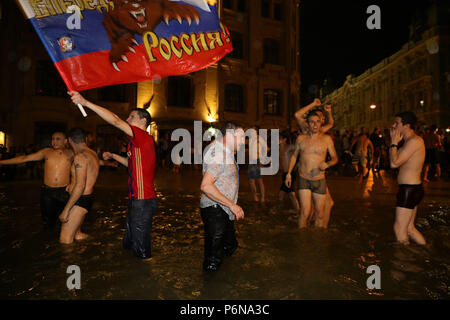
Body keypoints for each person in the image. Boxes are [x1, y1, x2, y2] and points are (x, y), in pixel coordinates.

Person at [69, 91, 157, 260]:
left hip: (142, 201)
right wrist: (114, 156)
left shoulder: (142, 136)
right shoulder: (136, 143)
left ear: (143, 121)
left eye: (131, 117)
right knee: (129, 244)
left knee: (142, 252)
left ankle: (145, 278)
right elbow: (131, 165)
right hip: (138, 200)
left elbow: (115, 120)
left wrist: (85, 102)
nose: (128, 120)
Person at [0, 132, 73, 227]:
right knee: (48, 222)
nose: (54, 141)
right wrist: (1, 162)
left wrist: (73, 183)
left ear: (66, 141)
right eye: (53, 139)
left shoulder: (71, 153)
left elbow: (83, 166)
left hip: (64, 191)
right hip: (48, 192)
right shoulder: (46, 152)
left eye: (58, 139)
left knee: (67, 221)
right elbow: (24, 158)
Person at [200, 122, 245, 272]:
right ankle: (211, 290)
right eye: (241, 137)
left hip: (223, 210)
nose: (244, 141)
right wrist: (232, 205)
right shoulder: (218, 154)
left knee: (230, 246)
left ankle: (227, 279)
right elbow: (206, 185)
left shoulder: (222, 150)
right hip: (215, 210)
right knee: (213, 261)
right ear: (230, 136)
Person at [285, 111, 338, 228]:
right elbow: (294, 155)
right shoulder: (301, 138)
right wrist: (288, 173)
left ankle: (318, 241)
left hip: (319, 180)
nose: (315, 124)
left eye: (317, 122)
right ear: (307, 124)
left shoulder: (326, 139)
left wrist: (328, 164)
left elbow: (335, 158)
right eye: (312, 122)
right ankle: (302, 240)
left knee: (319, 214)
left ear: (320, 123)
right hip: (304, 179)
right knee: (305, 212)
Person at [294, 98, 335, 225]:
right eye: (320, 118)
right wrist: (313, 104)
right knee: (326, 203)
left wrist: (329, 113)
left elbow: (331, 124)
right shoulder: (306, 128)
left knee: (316, 205)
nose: (321, 121)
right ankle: (320, 226)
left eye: (322, 120)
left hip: (316, 173)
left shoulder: (321, 132)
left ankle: (316, 223)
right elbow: (297, 114)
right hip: (305, 172)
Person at [389, 112, 426, 245]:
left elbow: (394, 163)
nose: (393, 126)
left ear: (407, 125)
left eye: (396, 123)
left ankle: (404, 261)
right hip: (411, 189)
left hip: (409, 190)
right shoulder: (407, 142)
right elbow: (393, 162)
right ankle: (425, 251)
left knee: (399, 229)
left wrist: (393, 144)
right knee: (409, 228)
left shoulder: (414, 141)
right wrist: (394, 143)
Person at [59, 128, 99, 244]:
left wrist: (66, 210)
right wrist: (71, 184)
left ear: (69, 141)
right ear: (85, 139)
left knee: (65, 240)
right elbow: (88, 176)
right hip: (87, 198)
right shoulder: (93, 153)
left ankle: (71, 262)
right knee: (78, 235)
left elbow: (80, 186)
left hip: (79, 200)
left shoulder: (80, 157)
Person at [278, 131, 299, 211]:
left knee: (290, 194)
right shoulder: (280, 148)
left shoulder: (289, 147)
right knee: (284, 194)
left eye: (279, 138)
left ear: (284, 139)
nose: (277, 139)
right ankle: (278, 210)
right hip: (285, 174)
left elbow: (299, 148)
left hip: (290, 174)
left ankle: (299, 211)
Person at [247, 126, 266, 203]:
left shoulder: (259, 139)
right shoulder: (250, 139)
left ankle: (262, 198)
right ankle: (255, 197)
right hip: (251, 161)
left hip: (258, 161)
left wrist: (262, 160)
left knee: (259, 180)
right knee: (251, 181)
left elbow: (265, 149)